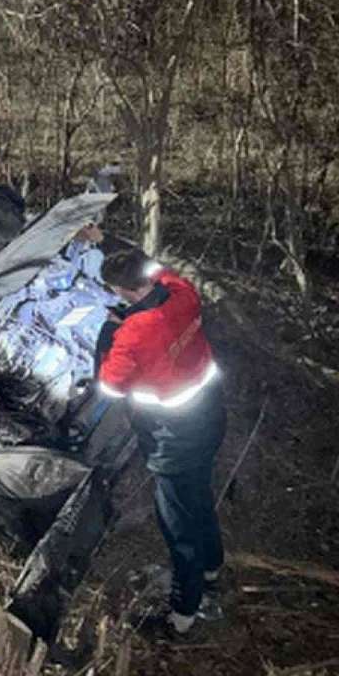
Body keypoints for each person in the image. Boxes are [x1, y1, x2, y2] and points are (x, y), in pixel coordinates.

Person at [77, 226, 226, 639]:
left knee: (177, 526)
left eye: (117, 291)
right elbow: (153, 268)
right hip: (210, 419)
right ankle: (213, 570)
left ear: (128, 292)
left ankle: (182, 615)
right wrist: (104, 241)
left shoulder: (132, 334)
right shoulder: (183, 291)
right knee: (199, 498)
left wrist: (108, 332)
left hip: (172, 440)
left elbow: (108, 386)